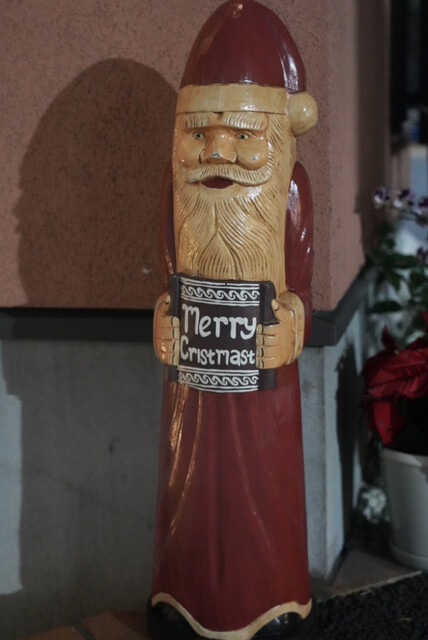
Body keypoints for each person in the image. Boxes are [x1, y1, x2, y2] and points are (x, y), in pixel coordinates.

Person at [149, 2, 318, 639]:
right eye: (199, 134)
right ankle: (180, 594)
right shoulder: (174, 192)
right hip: (191, 390)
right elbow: (168, 272)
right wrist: (163, 318)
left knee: (264, 491)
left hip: (263, 393)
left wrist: (293, 321)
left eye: (243, 135)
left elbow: (301, 283)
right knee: (186, 483)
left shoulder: (292, 191)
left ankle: (270, 601)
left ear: (279, 135)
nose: (217, 150)